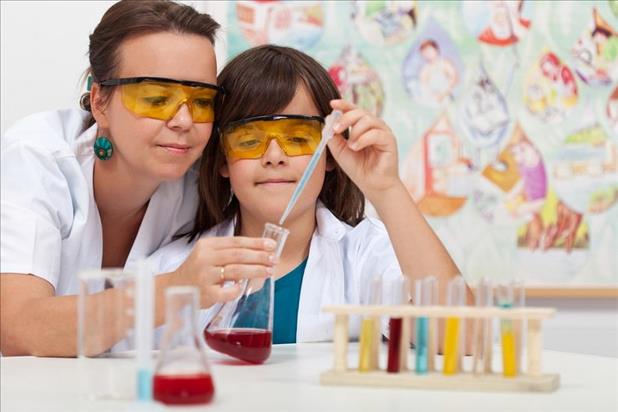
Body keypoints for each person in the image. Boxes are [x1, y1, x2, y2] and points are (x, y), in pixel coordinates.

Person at [0, 0, 274, 357]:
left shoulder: (202, 178)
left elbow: (301, 217)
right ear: (99, 102)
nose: (183, 121)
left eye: (202, 100)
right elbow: (17, 330)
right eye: (157, 97)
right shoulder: (38, 157)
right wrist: (174, 288)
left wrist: (374, 183)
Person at [149, 45, 473, 344]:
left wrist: (386, 188)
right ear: (222, 159)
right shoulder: (173, 269)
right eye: (249, 139)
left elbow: (462, 339)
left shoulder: (364, 256)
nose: (274, 156)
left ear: (329, 153)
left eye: (298, 137)